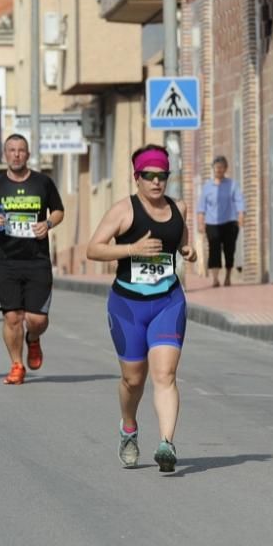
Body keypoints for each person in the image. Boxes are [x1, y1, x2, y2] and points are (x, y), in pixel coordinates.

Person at [87, 145, 196, 472]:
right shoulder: (124, 211)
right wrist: (132, 248)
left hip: (167, 300)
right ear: (137, 178)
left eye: (162, 175)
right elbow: (94, 249)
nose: (156, 182)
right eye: (149, 176)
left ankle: (166, 443)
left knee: (165, 374)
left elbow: (181, 238)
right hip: (128, 305)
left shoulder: (179, 208)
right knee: (133, 379)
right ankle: (129, 427)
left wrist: (188, 250)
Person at [0, 134, 64, 385]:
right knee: (12, 317)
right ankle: (16, 364)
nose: (16, 154)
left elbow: (58, 211)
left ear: (27, 154)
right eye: (12, 150)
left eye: (21, 150)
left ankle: (33, 339)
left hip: (37, 260)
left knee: (37, 319)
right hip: (5, 260)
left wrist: (47, 224)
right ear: (5, 154)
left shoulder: (43, 182)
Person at [196, 155, 245, 287]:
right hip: (212, 223)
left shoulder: (232, 185)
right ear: (213, 169)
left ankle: (228, 276)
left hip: (230, 222)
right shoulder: (207, 187)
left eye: (221, 167)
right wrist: (200, 223)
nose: (218, 170)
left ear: (225, 169)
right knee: (214, 249)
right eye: (216, 167)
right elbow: (201, 207)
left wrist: (241, 215)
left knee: (229, 250)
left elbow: (239, 200)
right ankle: (215, 278)